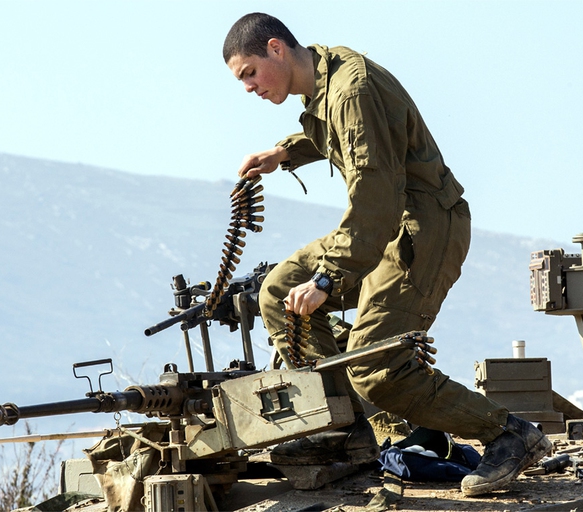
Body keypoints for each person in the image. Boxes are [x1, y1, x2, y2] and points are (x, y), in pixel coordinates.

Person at [222, 12, 551, 496]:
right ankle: (339, 431)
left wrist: (328, 279)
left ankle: (508, 434)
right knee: (276, 293)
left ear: (275, 49)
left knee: (376, 370)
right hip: (383, 228)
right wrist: (285, 154)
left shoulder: (352, 90)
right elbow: (345, 138)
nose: (248, 88)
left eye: (249, 73)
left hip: (421, 230)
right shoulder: (325, 81)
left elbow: (376, 196)